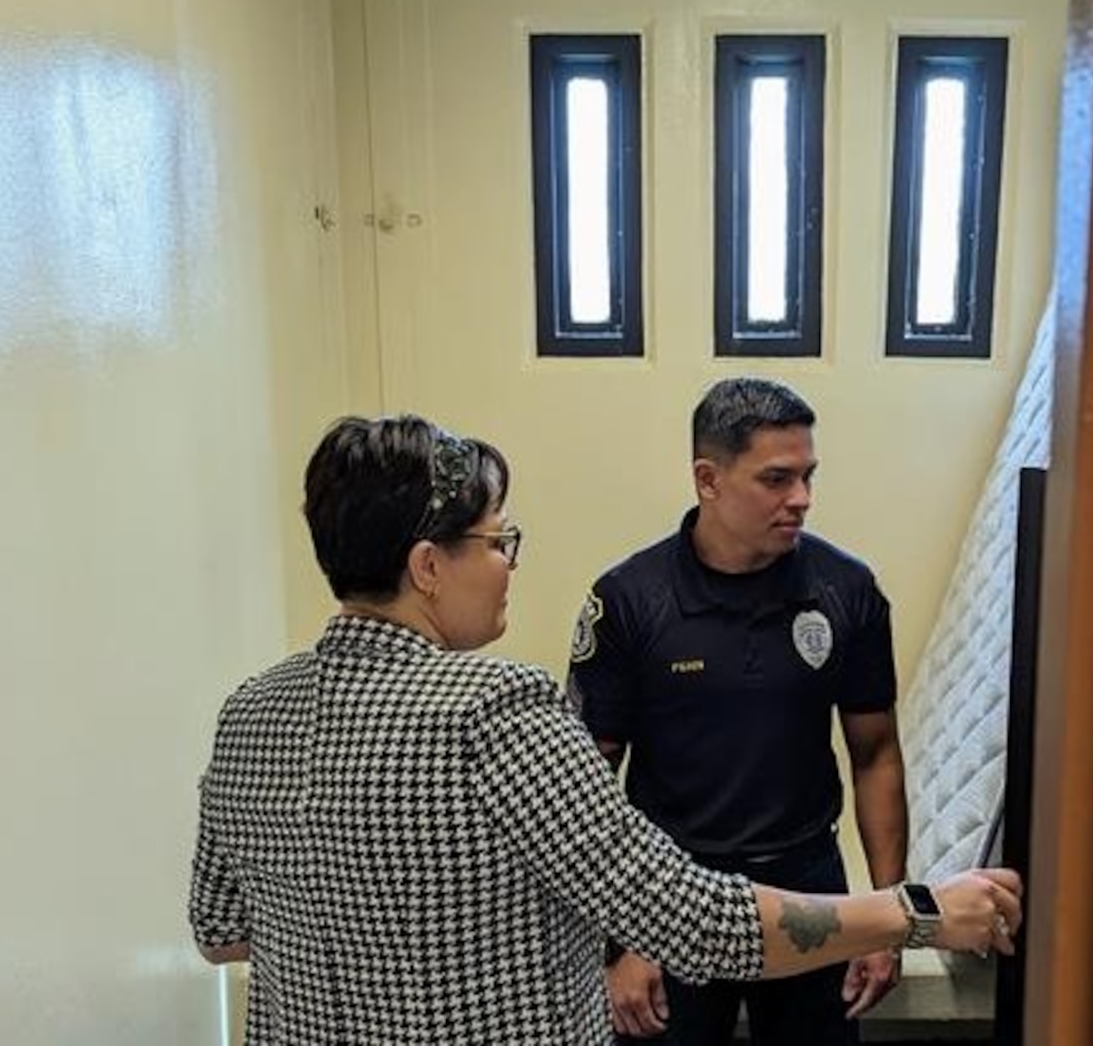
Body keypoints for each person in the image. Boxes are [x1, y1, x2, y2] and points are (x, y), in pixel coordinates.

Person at [189, 414, 1022, 1046]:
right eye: (495, 540)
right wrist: (916, 909)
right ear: (427, 566)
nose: (509, 562)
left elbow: (221, 931)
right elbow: (695, 921)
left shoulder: (251, 711)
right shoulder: (497, 710)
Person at [568, 378, 910, 1045]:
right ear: (708, 479)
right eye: (777, 479)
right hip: (669, 889)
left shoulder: (847, 591)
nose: (802, 499)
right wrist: (619, 941)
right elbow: (584, 789)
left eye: (808, 476)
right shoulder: (629, 601)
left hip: (807, 886)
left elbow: (876, 754)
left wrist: (889, 915)